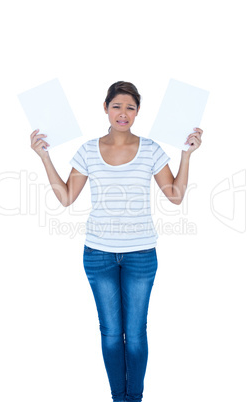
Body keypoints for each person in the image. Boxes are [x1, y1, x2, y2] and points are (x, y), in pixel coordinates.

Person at [30, 81, 203, 402]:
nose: (123, 113)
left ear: (138, 112)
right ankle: (118, 398)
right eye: (117, 106)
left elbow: (175, 196)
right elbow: (67, 197)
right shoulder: (88, 151)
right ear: (106, 108)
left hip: (141, 255)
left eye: (130, 108)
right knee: (111, 335)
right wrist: (44, 157)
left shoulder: (151, 149)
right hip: (98, 256)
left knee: (135, 336)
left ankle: (132, 399)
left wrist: (186, 155)